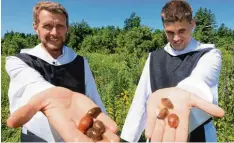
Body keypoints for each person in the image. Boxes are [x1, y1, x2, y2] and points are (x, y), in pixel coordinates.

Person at [5, 1, 119, 142]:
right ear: (36, 27)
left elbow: (94, 99)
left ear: (67, 29)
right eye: (47, 26)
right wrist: (50, 95)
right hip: (36, 139)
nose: (54, 32)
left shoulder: (80, 62)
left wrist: (102, 126)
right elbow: (30, 82)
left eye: (60, 26)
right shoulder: (20, 61)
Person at [120, 0, 224, 142]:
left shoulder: (209, 54)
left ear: (192, 24)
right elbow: (140, 101)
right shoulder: (154, 57)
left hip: (200, 135)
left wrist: (182, 94)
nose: (176, 38)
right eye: (170, 32)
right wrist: (127, 139)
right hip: (161, 131)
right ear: (164, 28)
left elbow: (201, 80)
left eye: (182, 31)